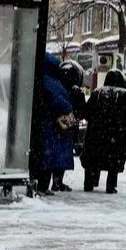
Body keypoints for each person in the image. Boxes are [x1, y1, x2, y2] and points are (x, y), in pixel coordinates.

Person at [81, 69, 126, 194]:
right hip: (116, 135)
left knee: (92, 159)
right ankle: (110, 185)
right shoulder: (125, 96)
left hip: (96, 134)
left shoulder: (97, 93)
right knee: (113, 161)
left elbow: (87, 112)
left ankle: (89, 182)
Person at [31, 54, 76, 196]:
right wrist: (68, 108)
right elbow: (58, 100)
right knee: (48, 158)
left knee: (45, 157)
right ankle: (43, 186)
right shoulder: (51, 82)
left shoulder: (42, 79)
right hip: (51, 126)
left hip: (46, 124)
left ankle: (41, 185)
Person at [54, 60, 88, 192]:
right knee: (63, 153)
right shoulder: (76, 92)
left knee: (54, 152)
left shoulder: (56, 87)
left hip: (56, 124)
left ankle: (54, 181)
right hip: (69, 126)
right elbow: (81, 110)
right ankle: (58, 181)